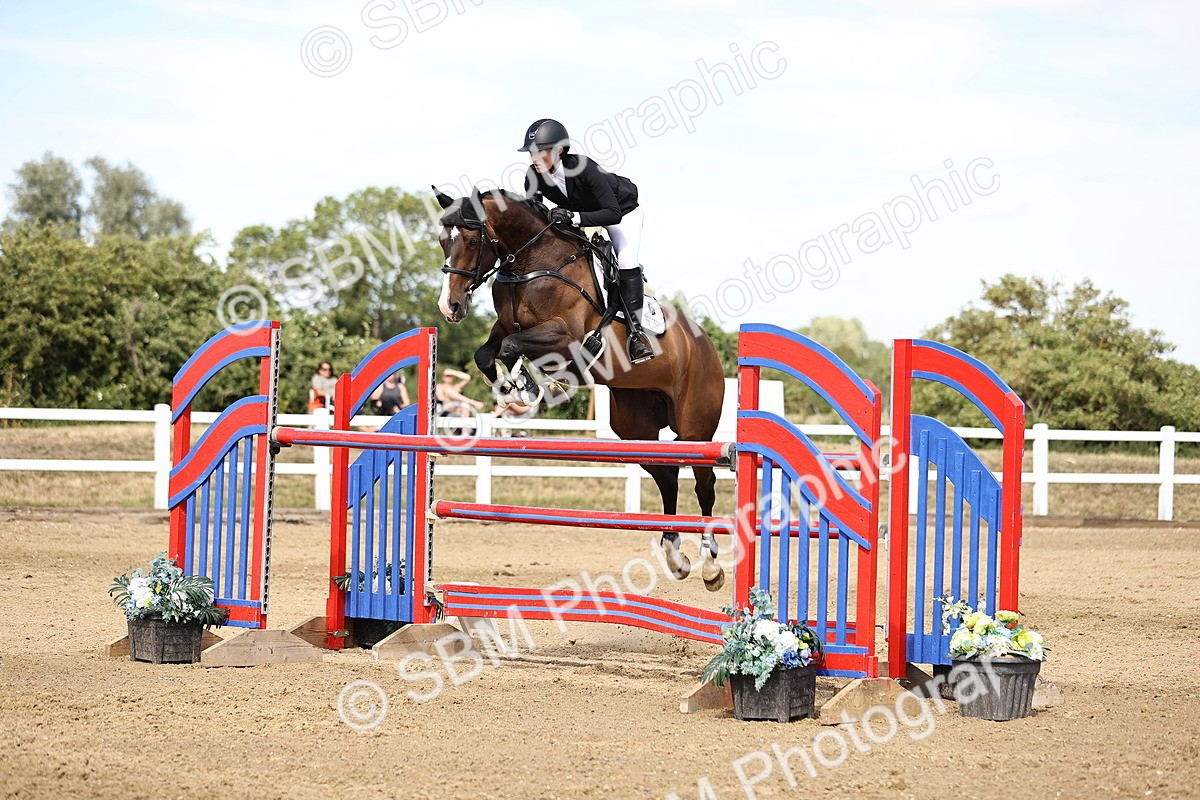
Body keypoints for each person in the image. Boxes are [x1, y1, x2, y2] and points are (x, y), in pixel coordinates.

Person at [519, 118, 655, 365]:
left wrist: (573, 217)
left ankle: (637, 335)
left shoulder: (583, 168)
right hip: (581, 217)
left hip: (621, 213)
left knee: (626, 260)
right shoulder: (533, 176)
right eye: (531, 153)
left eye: (542, 152)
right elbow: (534, 215)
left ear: (560, 150)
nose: (535, 158)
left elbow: (612, 212)